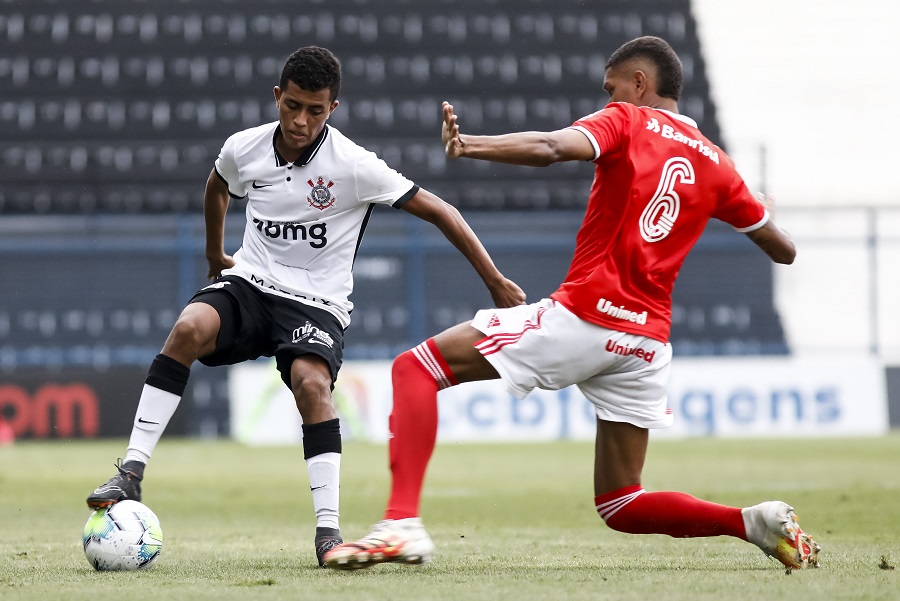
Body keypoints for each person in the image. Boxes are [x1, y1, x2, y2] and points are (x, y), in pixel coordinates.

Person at [324, 36, 821, 573]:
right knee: (621, 501)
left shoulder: (627, 119)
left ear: (638, 83)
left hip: (589, 315)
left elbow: (551, 147)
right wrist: (754, 203)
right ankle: (751, 522)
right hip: (645, 343)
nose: (608, 97)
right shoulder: (719, 166)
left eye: (612, 87)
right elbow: (784, 249)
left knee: (415, 369)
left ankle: (400, 525)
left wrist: (472, 145)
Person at [86, 45, 525, 568]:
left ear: (332, 109)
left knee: (312, 385)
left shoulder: (355, 165)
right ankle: (131, 473)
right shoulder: (243, 148)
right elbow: (217, 186)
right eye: (292, 105)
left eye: (315, 110)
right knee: (187, 328)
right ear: (277, 96)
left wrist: (495, 281)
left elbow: (441, 211)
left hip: (316, 303)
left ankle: (328, 534)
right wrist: (213, 253)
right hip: (250, 283)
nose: (300, 120)